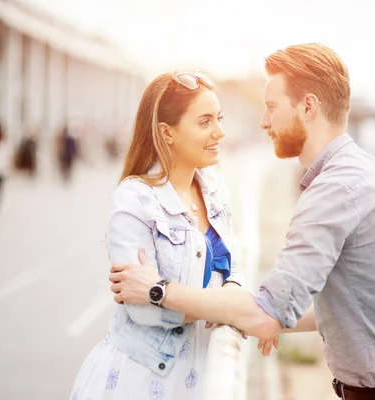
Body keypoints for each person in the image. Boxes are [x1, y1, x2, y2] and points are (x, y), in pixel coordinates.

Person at [110, 43, 375, 400]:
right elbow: (352, 306)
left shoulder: (331, 192)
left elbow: (265, 317)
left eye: (271, 107)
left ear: (308, 106)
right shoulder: (365, 171)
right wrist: (260, 316)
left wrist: (158, 289)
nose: (264, 121)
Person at [70, 70, 243, 400]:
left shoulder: (216, 191)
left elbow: (234, 272)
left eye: (219, 118)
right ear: (167, 132)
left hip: (202, 374)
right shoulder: (134, 199)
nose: (219, 132)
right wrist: (229, 306)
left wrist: (165, 291)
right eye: (204, 121)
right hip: (142, 380)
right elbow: (145, 310)